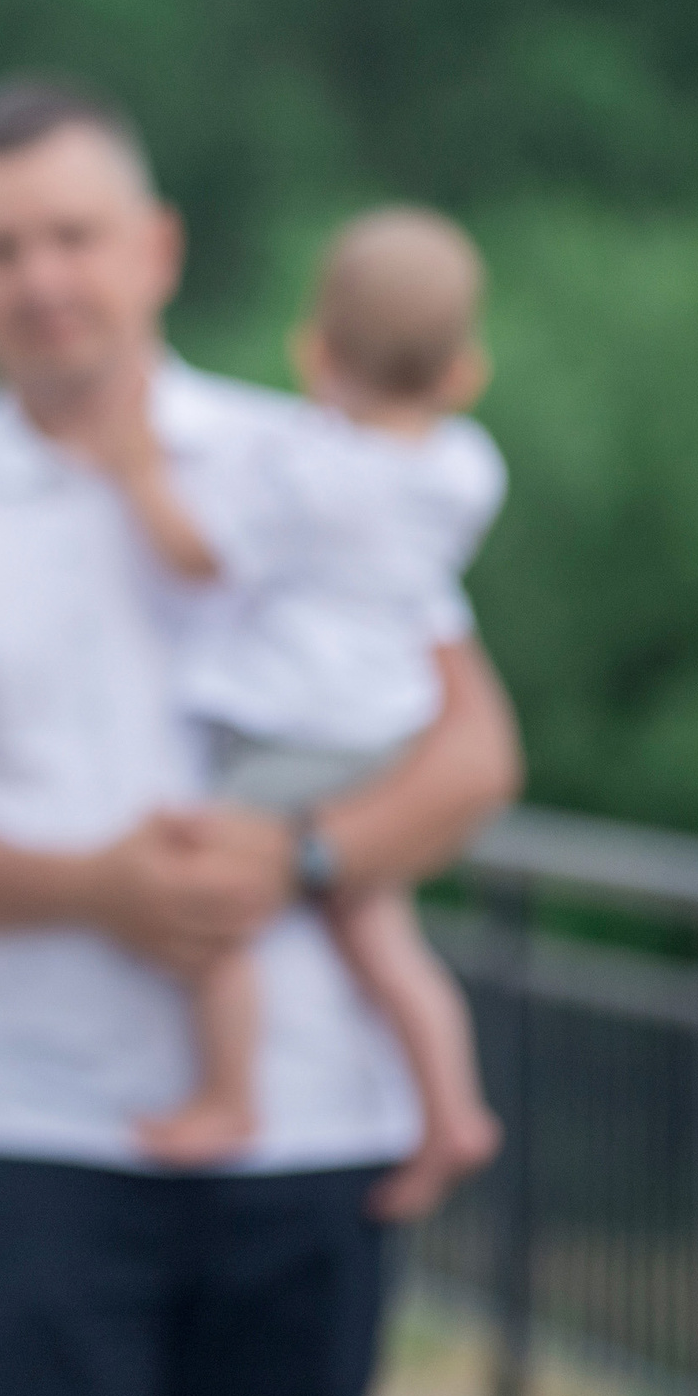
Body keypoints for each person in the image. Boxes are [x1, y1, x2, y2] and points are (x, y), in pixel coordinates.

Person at [0, 76, 522, 1396]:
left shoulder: (314, 457)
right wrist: (100, 888)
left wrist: (301, 855)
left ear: (156, 246)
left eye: (74, 233)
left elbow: (476, 752)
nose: (44, 277)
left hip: (318, 1136)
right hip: (46, 1137)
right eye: (2, 249)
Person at [97, 205, 506, 1219]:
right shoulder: (466, 471)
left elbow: (197, 556)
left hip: (297, 730)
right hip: (391, 728)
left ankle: (228, 1098)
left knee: (217, 897)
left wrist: (139, 472)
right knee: (379, 930)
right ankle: (451, 1108)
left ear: (314, 350)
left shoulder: (306, 469)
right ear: (463, 372)